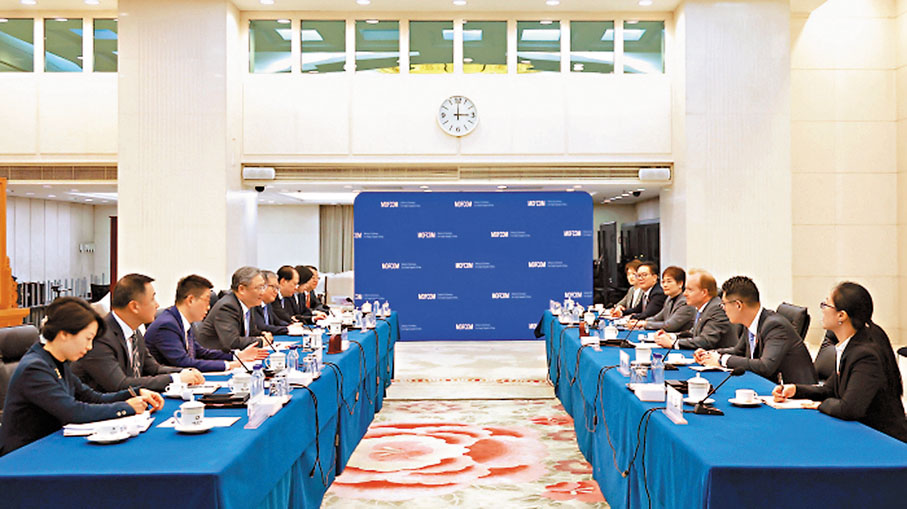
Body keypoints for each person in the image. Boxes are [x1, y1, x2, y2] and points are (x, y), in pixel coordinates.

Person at [0, 297, 163, 456]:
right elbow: (74, 412)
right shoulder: (35, 368)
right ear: (64, 334)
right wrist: (127, 408)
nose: (90, 346)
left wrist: (135, 393)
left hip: (51, 447)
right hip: (24, 456)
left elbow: (92, 397)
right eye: (88, 338)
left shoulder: (57, 362)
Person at [773, 282, 907, 442]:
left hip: (884, 441)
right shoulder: (850, 345)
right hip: (862, 433)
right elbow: (829, 389)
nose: (822, 309)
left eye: (826, 305)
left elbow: (849, 409)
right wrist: (795, 390)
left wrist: (819, 405)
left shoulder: (865, 355)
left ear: (841, 315)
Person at [72, 274, 204, 392]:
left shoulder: (134, 332)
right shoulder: (100, 336)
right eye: (152, 299)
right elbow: (119, 385)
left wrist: (185, 372)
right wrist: (176, 379)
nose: (157, 305)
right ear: (134, 306)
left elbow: (153, 369)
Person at [694, 276, 817, 384]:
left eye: (724, 304)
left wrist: (722, 360)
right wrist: (710, 354)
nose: (723, 309)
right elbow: (738, 351)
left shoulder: (774, 325)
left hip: (795, 394)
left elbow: (765, 366)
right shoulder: (752, 322)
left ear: (738, 305)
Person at [145, 275, 267, 372]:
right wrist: (228, 365)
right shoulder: (167, 325)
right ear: (190, 300)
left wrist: (237, 356)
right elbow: (184, 362)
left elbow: (201, 352)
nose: (208, 307)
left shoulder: (181, 320)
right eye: (206, 300)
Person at [654, 269, 738, 350]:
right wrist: (672, 336)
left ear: (704, 292)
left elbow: (706, 341)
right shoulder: (704, 307)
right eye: (685, 289)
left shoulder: (717, 309)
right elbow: (694, 333)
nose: (685, 294)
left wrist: (674, 343)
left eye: (690, 290)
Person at [195, 266, 273, 351]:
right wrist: (260, 341)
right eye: (259, 288)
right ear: (241, 289)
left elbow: (249, 332)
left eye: (263, 287)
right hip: (214, 356)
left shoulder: (248, 303)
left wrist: (262, 335)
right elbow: (232, 342)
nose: (263, 292)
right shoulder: (227, 307)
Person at [631, 266, 694, 332]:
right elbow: (657, 318)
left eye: (669, 281)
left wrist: (645, 324)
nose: (665, 285)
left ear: (680, 284)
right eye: (663, 282)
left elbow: (670, 326)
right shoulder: (669, 299)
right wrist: (638, 322)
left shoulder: (685, 302)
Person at [251, 270, 290, 336]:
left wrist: (291, 325)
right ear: (262, 286)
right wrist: (287, 329)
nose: (276, 291)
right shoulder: (254, 304)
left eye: (277, 288)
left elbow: (277, 321)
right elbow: (262, 327)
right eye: (273, 287)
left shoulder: (268, 304)